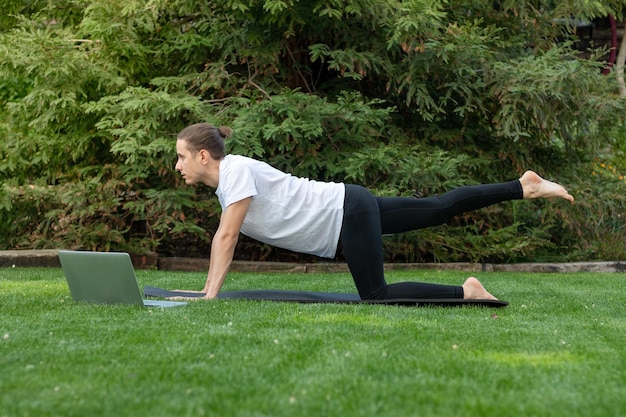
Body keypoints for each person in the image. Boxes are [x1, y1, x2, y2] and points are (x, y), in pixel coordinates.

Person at [174, 123, 574, 301]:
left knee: (376, 294)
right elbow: (225, 236)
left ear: (203, 155)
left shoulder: (236, 172)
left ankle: (466, 291)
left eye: (181, 157)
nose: (178, 166)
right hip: (350, 206)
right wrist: (208, 290)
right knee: (436, 208)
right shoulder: (231, 183)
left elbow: (226, 237)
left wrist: (209, 293)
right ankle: (523, 186)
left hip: (347, 212)